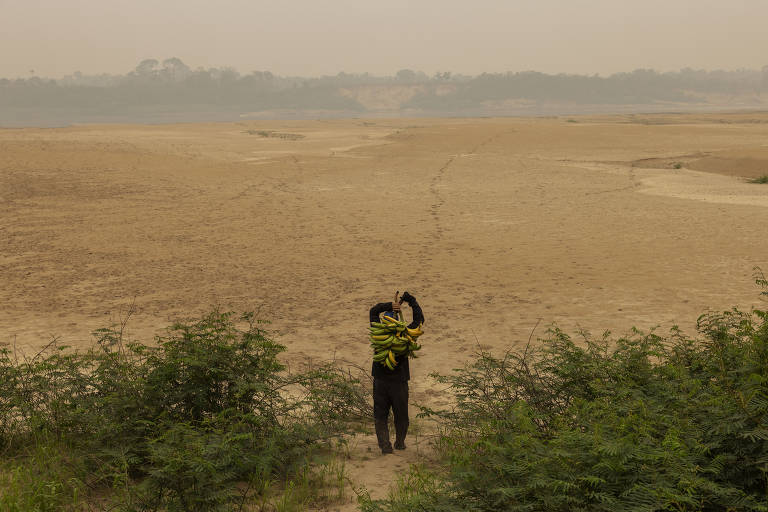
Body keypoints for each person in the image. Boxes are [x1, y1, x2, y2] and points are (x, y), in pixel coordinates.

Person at [369, 291, 424, 454]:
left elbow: (373, 311)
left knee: (380, 415)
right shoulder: (406, 336)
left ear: (385, 321)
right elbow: (419, 320)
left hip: (380, 381)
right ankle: (399, 442)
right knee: (401, 416)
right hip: (399, 382)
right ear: (398, 322)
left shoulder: (378, 333)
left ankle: (385, 446)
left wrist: (387, 305)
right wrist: (411, 300)